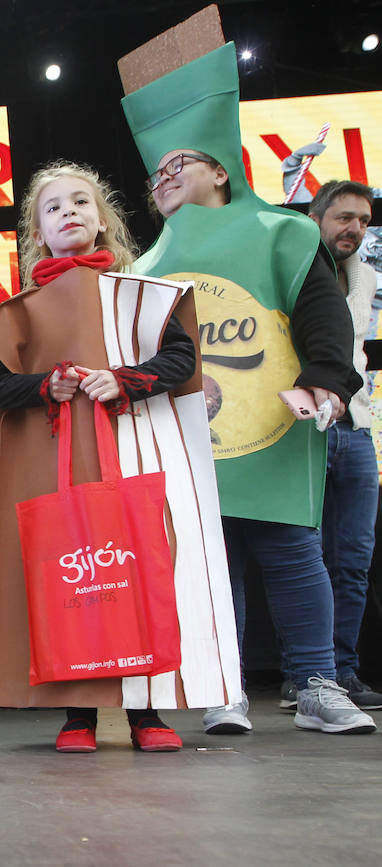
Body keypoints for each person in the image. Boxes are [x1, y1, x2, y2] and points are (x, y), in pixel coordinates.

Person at [122, 42, 373, 735]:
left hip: (277, 428)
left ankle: (319, 683)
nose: (164, 177)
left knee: (294, 553)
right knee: (211, 562)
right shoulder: (146, 263)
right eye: (156, 173)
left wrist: (322, 379)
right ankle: (223, 685)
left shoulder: (280, 230)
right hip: (192, 439)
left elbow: (322, 311)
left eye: (179, 164)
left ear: (221, 170)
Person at [0, 162, 239, 752]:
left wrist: (124, 380)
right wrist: (47, 386)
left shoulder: (142, 297)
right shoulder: (21, 310)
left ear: (102, 220)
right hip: (56, 462)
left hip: (137, 453)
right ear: (37, 230)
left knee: (142, 568)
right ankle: (78, 715)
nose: (69, 212)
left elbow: (180, 361)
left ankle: (149, 713)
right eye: (54, 206)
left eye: (81, 202)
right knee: (75, 578)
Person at [296, 180, 382, 712]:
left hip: (357, 429)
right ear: (317, 218)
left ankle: (341, 672)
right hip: (303, 427)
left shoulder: (365, 275)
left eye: (363, 221)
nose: (355, 228)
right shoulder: (294, 267)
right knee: (302, 558)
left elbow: (351, 344)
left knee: (352, 559)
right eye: (344, 217)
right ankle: (305, 675)